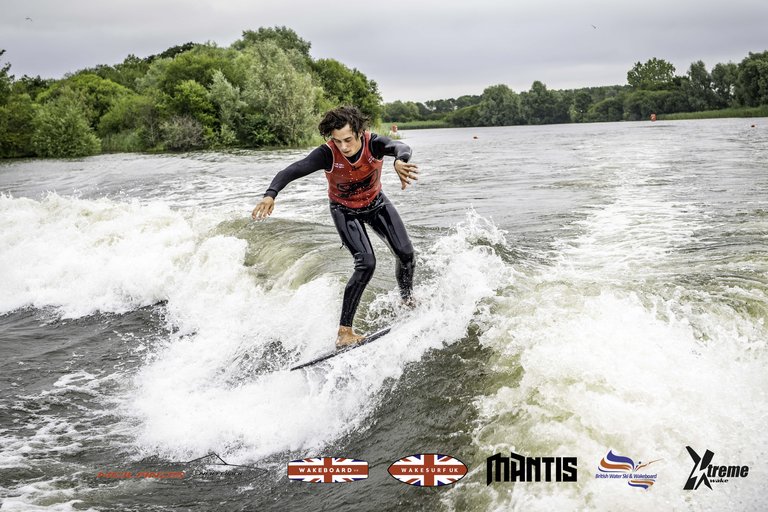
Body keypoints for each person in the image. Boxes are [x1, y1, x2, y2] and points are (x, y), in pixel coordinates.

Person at [251, 106, 419, 348]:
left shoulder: (374, 144)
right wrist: (270, 194)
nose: (344, 147)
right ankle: (344, 333)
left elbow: (400, 147)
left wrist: (399, 161)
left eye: (348, 140)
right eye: (337, 141)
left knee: (406, 254)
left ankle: (407, 301)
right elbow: (292, 170)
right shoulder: (327, 154)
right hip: (345, 211)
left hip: (376, 204)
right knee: (366, 263)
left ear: (359, 132)